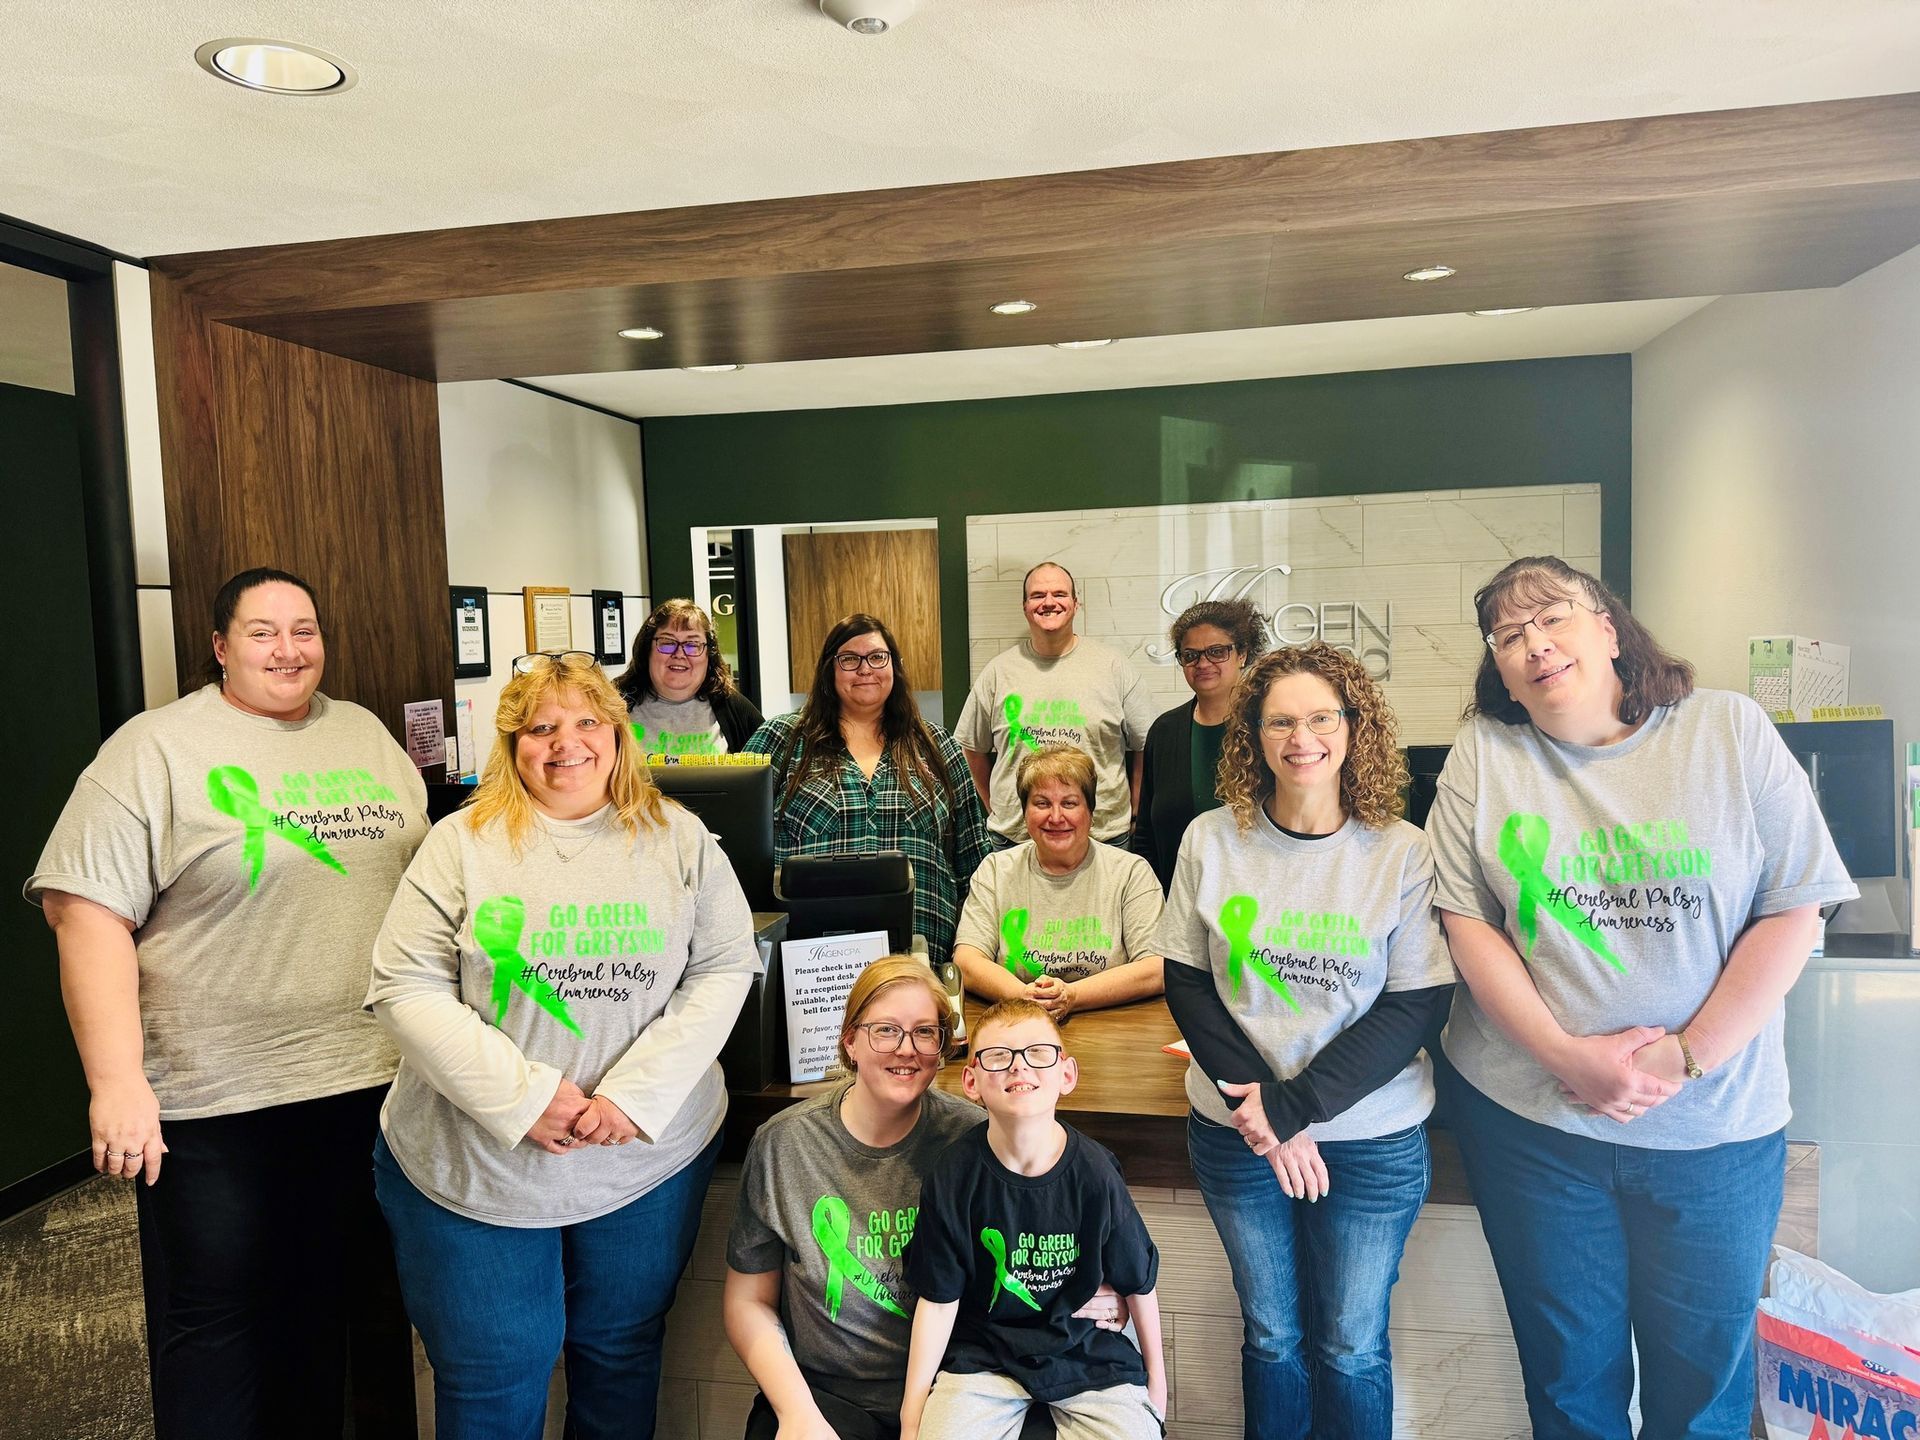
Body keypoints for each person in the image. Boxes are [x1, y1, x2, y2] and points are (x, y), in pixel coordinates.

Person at [1425, 556, 1857, 1440]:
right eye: (1508, 635)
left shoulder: (1727, 729)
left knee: (1702, 1397)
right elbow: (1465, 922)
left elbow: (1795, 907)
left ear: (1609, 627)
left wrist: (1685, 1055)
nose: (1534, 644)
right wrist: (1564, 1055)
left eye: (1553, 617)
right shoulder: (1486, 753)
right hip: (1535, 1127)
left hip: (1715, 1130)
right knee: (1568, 1387)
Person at [28, 566, 425, 1440]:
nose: (288, 650)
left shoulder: (362, 734)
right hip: (217, 1097)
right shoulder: (154, 749)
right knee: (220, 1323)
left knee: (335, 1308)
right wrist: (116, 1082)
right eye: (262, 632)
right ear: (219, 647)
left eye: (304, 630)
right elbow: (83, 914)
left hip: (369, 1081)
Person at [366, 650, 760, 1438]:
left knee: (620, 1353)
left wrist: (633, 1097)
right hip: (476, 1163)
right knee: (497, 1371)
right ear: (512, 745)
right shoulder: (461, 842)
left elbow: (725, 966)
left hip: (642, 1160)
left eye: (586, 722)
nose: (565, 743)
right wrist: (524, 1098)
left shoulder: (680, 838)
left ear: (617, 735)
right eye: (540, 729)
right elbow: (403, 986)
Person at [1158, 642, 1456, 1440]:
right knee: (1271, 1334)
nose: (1302, 739)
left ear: (1355, 728)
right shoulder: (1211, 840)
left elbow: (1415, 1004)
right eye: (1280, 722)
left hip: (1370, 1139)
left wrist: (1292, 1109)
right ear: (1252, 736)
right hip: (1237, 1133)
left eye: (1322, 718)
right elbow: (1188, 982)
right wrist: (1262, 1112)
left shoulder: (1402, 850)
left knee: (1352, 1345)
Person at [723, 955, 985, 1440]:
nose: (906, 1049)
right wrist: (797, 1413)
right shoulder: (785, 1145)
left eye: (925, 1032)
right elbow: (748, 1300)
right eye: (886, 1030)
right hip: (825, 1395)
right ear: (850, 1041)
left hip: (955, 1390)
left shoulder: (974, 1137)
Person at [900, 998, 1167, 1440]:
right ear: (971, 1080)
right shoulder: (953, 1174)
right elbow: (938, 1300)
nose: (1019, 1066)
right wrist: (912, 1416)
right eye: (998, 1056)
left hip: (1087, 1352)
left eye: (1038, 1053)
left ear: (1067, 1074)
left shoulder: (1096, 1173)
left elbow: (1139, 1281)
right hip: (983, 1356)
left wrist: (1158, 1387)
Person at [745, 613, 992, 963]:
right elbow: (738, 855)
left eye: (877, 657)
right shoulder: (781, 740)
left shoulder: (937, 746)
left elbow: (974, 864)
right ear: (829, 669)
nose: (865, 669)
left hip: (921, 958)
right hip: (813, 965)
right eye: (849, 659)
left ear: (895, 666)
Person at [952, 744, 1165, 1020]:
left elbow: (1156, 968)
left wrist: (1072, 996)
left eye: (1069, 803)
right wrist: (1025, 996)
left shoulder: (1131, 873)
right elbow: (966, 961)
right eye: (1042, 803)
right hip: (1020, 1024)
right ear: (1025, 812)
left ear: (1090, 811)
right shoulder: (995, 871)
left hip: (1115, 1027)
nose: (1055, 817)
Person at [956, 562, 1154, 851]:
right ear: (1025, 606)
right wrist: (999, 807)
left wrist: (1136, 809)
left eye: (1059, 594)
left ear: (1075, 603)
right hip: (1015, 840)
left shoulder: (1113, 667)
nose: (1049, 602)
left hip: (1103, 837)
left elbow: (1146, 744)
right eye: (1038, 595)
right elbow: (972, 747)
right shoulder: (998, 673)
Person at [1131, 598, 1269, 893]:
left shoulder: (1267, 727)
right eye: (1191, 655)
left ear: (1242, 653)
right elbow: (1146, 836)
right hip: (1177, 899)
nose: (1203, 664)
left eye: (1217, 652)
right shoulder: (1164, 731)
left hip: (1254, 903)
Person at [614, 597, 763, 755]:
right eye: (667, 642)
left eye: (692, 645)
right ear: (647, 649)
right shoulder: (613, 703)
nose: (679, 654)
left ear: (709, 655)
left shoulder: (735, 709)